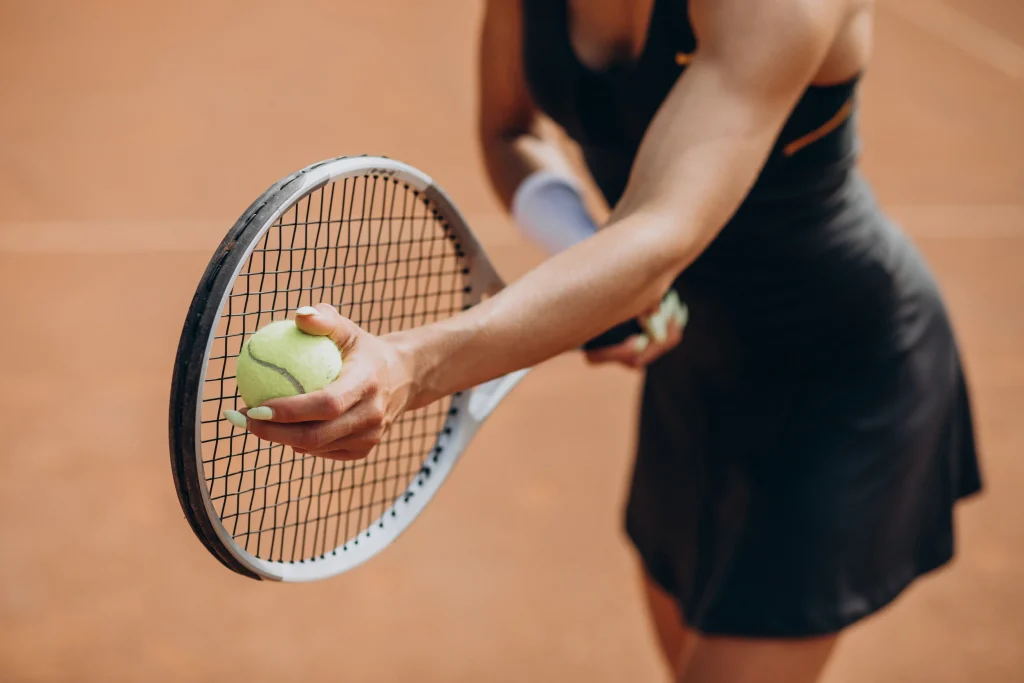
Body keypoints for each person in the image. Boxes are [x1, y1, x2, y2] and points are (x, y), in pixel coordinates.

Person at [237, 0, 982, 680]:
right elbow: (511, 126)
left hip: (841, 376)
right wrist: (586, 252)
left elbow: (662, 233)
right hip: (694, 379)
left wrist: (411, 362)